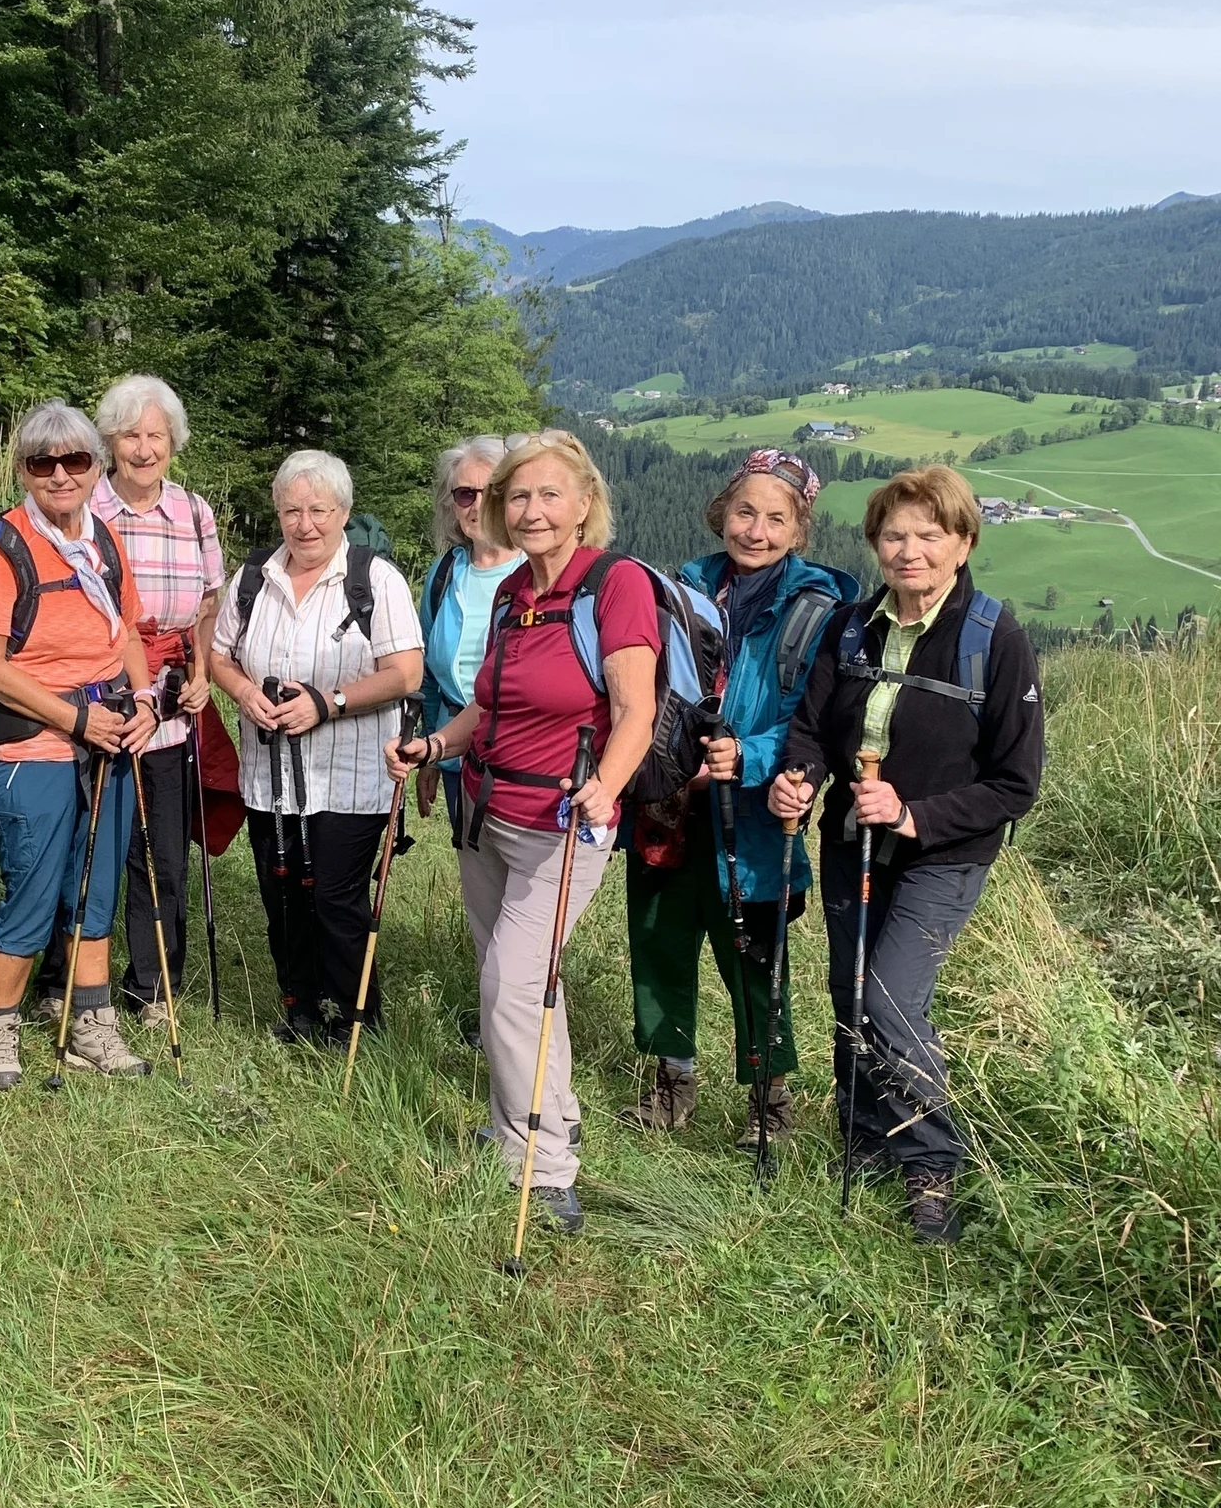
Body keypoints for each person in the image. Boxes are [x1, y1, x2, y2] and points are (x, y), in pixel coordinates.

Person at [386, 430, 657, 1233]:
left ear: (583, 506)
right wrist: (435, 746)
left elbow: (637, 710)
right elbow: (488, 707)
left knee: (508, 984)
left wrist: (606, 787)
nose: (530, 510)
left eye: (547, 495)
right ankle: (544, 1116)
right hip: (486, 812)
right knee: (527, 986)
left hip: (565, 825)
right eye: (517, 496)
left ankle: (540, 1170)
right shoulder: (514, 594)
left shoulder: (615, 586)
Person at [770, 464, 1044, 1241]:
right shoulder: (851, 626)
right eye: (895, 535)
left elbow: (1015, 784)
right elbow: (814, 727)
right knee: (852, 997)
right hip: (850, 843)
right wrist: (798, 778)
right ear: (875, 544)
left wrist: (915, 814)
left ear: (963, 543)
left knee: (890, 1002)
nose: (910, 551)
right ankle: (866, 1145)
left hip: (942, 857)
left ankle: (931, 1164)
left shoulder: (993, 638)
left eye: (930, 535)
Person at [624, 449, 858, 1144]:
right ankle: (672, 1084)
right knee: (660, 945)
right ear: (722, 511)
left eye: (775, 518)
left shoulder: (818, 607)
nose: (756, 530)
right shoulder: (681, 587)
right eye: (745, 511)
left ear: (799, 529)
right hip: (668, 805)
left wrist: (745, 757)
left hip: (755, 817)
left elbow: (816, 715)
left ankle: (768, 1102)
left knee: (756, 960)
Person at [0, 403, 159, 1091]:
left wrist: (143, 701)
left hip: (105, 737)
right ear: (22, 469)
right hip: (30, 749)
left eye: (75, 461)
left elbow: (129, 634)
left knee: (96, 889)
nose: (59, 474)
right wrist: (76, 721)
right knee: (35, 893)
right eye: (42, 462)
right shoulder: (3, 548)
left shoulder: (102, 541)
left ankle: (91, 1023)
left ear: (95, 468)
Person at [209, 449, 423, 1043]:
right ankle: (299, 1007)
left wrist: (328, 703)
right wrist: (245, 693)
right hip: (269, 777)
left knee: (334, 898)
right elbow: (219, 655)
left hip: (350, 777)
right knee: (280, 894)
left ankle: (357, 1020)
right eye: (292, 510)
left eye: (319, 510)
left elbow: (405, 672)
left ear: (344, 511)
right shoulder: (254, 576)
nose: (305, 524)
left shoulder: (373, 579)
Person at [36, 374, 223, 1023]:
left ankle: (153, 985)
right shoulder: (86, 510)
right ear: (108, 442)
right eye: (130, 435)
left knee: (161, 854)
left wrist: (201, 670)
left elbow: (206, 606)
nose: (144, 448)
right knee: (86, 847)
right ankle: (62, 981)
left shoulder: (195, 513)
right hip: (96, 701)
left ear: (174, 441)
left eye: (156, 435)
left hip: (170, 709)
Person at [416, 436, 523, 842]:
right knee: (474, 873)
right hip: (455, 757)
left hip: (516, 757)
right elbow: (426, 674)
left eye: (490, 491)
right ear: (452, 504)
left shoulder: (534, 572)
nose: (477, 504)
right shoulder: (444, 573)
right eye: (464, 494)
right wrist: (431, 751)